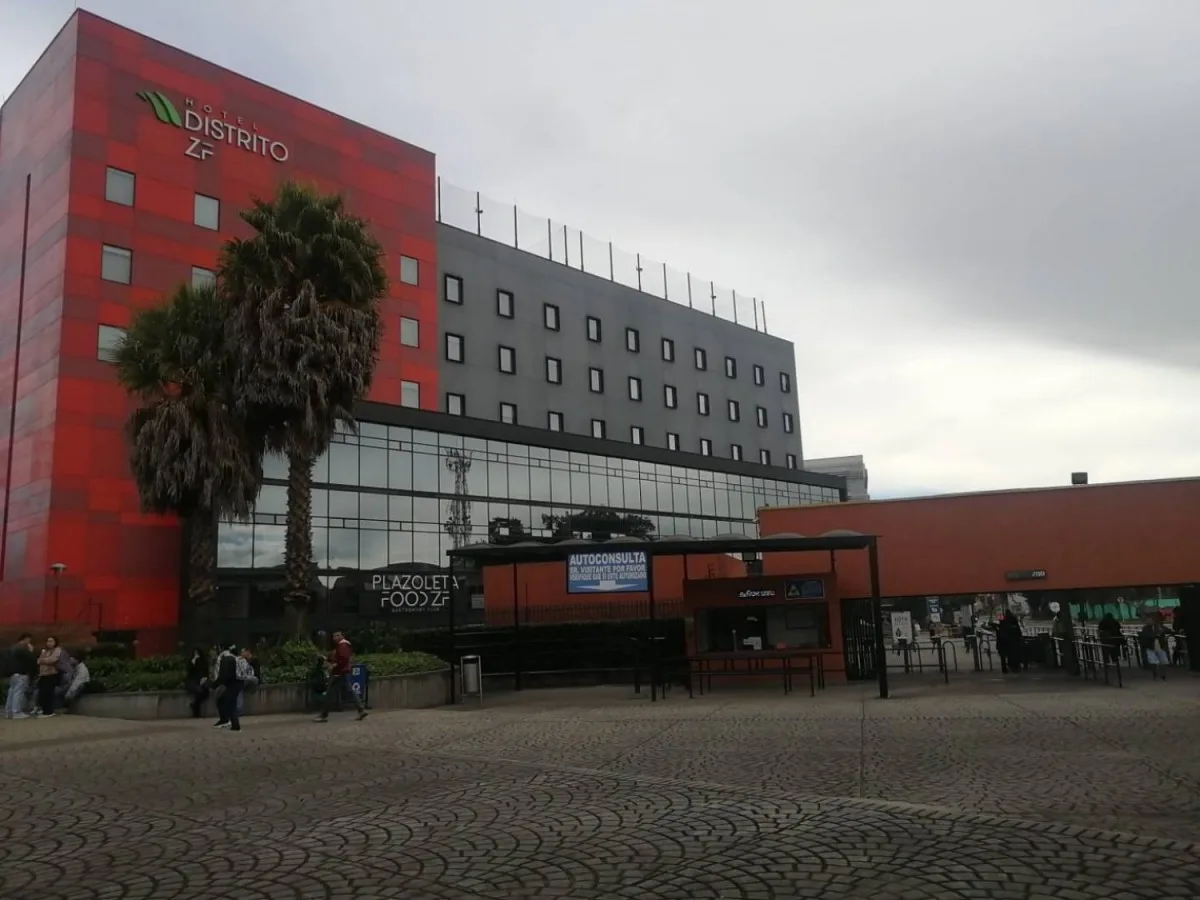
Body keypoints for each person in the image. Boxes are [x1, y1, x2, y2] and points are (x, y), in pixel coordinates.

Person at [314, 631, 367, 723]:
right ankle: (361, 709)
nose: (335, 637)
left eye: (337, 635)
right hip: (342, 672)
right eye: (334, 635)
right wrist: (327, 659)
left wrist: (334, 665)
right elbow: (338, 658)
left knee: (330, 694)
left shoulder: (343, 646)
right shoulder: (341, 646)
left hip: (339, 673)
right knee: (349, 691)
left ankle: (323, 714)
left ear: (342, 636)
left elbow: (343, 659)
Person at [4, 633, 37, 719]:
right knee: (19, 692)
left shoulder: (12, 648)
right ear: (26, 639)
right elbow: (31, 659)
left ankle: (9, 712)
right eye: (29, 640)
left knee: (12, 692)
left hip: (13, 673)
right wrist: (31, 651)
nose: (29, 642)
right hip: (21, 673)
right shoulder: (22, 648)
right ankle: (16, 712)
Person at [212, 643, 243, 731]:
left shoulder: (226, 658)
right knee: (224, 700)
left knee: (230, 703)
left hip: (231, 684)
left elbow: (224, 675)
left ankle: (234, 724)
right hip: (237, 682)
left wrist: (215, 684)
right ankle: (227, 721)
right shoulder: (235, 657)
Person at [35, 636, 63, 717]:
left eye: (51, 641)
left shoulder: (57, 650)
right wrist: (43, 659)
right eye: (48, 641)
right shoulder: (45, 651)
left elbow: (53, 660)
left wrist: (43, 660)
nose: (49, 643)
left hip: (52, 674)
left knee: (48, 693)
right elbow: (38, 661)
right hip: (43, 674)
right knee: (42, 693)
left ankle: (49, 711)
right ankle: (44, 709)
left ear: (55, 642)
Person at [1139, 614, 1171, 681]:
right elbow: (1149, 636)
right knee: (1153, 661)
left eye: (1150, 620)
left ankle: (1163, 675)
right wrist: (1157, 633)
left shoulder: (1160, 627)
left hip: (1160, 645)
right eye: (1147, 620)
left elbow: (1169, 631)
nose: (1148, 621)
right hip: (1151, 646)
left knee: (1163, 661)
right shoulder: (1145, 628)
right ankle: (1154, 673)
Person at [185, 647, 211, 718]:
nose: (196, 655)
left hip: (201, 681)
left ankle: (194, 706)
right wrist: (193, 661)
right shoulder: (192, 661)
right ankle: (196, 713)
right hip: (192, 681)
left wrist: (205, 678)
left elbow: (206, 672)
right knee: (198, 691)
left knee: (205, 692)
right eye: (195, 653)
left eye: (197, 653)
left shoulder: (204, 662)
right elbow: (189, 670)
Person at [235, 648, 258, 715]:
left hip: (244, 679)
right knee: (239, 689)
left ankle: (239, 710)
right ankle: (239, 710)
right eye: (241, 652)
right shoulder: (241, 660)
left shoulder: (249, 660)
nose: (242, 653)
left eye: (243, 652)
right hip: (243, 679)